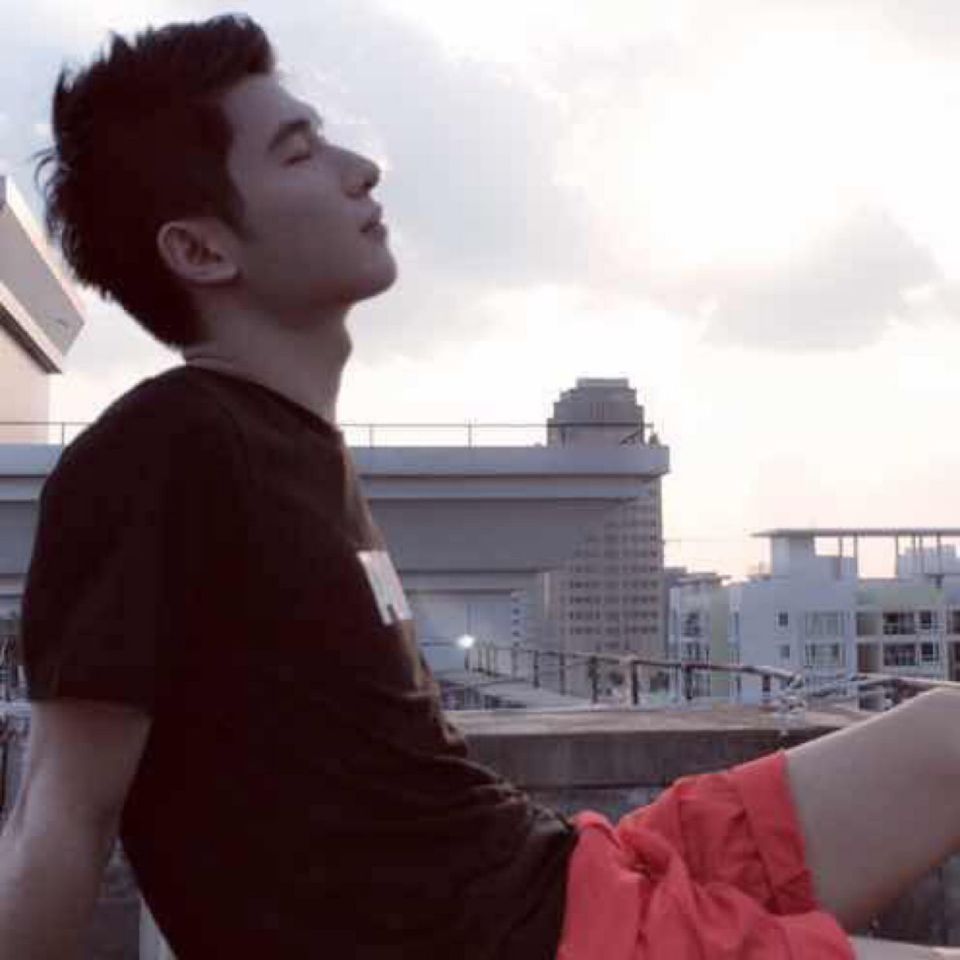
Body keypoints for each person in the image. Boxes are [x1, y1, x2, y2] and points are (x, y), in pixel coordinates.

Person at [0, 14, 958, 959]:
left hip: (562, 872)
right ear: (203, 250)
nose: (359, 169)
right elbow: (59, 817)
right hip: (533, 939)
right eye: (298, 154)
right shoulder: (159, 451)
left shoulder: (294, 448)